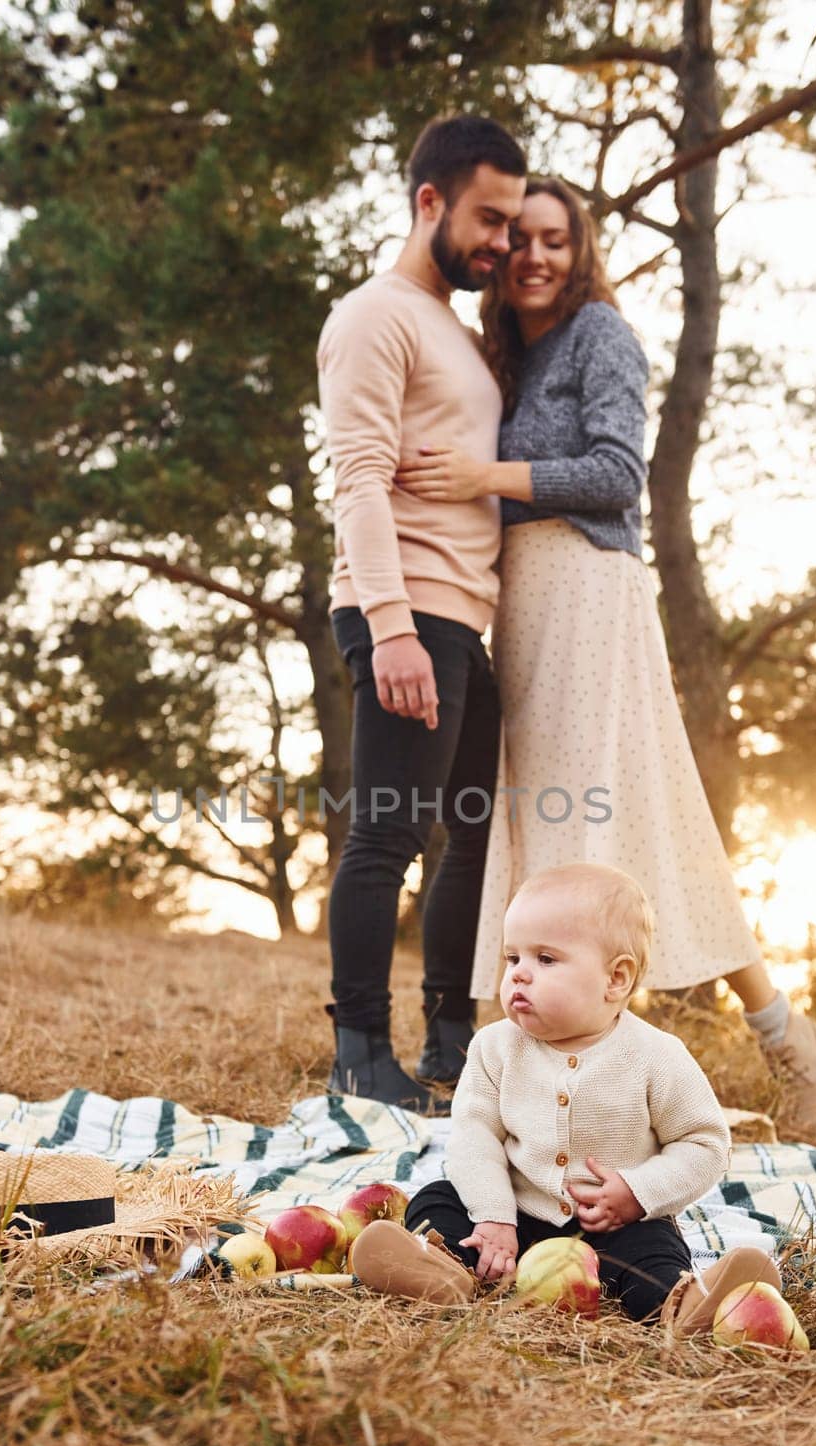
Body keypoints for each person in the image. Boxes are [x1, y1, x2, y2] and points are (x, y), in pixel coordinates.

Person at [392, 177, 816, 1144]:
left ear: (580, 250)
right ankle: (596, 1059)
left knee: (579, 825)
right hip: (521, 601)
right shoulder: (508, 354)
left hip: (590, 592)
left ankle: (749, 1047)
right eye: (522, 244)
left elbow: (615, 473)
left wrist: (485, 477)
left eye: (557, 240)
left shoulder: (601, 334)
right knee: (617, 816)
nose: (538, 257)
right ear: (500, 261)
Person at [315, 115, 527, 1112]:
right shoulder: (375, 316)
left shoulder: (456, 330)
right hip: (405, 611)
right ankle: (359, 1055)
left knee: (475, 838)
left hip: (459, 620)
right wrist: (390, 625)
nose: (501, 241)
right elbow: (356, 478)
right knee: (386, 837)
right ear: (428, 200)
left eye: (513, 224)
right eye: (487, 217)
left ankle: (452, 1044)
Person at [350, 862, 792, 1334]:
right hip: (512, 1214)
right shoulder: (495, 1047)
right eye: (512, 958)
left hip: (613, 1226)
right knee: (439, 1198)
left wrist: (638, 1193)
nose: (519, 975)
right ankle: (442, 1270)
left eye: (544, 959)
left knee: (651, 1253)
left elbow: (704, 1144)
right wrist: (494, 1216)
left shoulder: (657, 1056)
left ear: (615, 979)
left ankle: (685, 1305)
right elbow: (474, 1135)